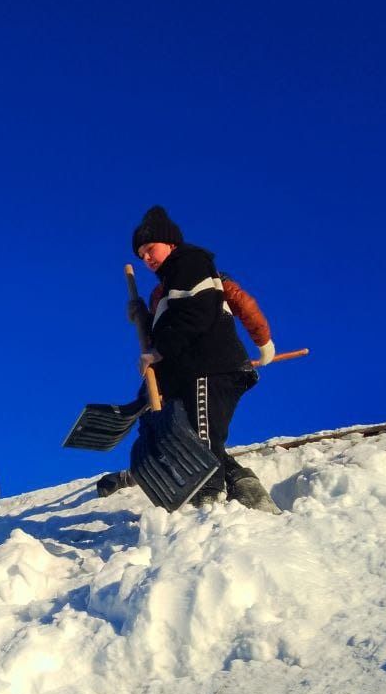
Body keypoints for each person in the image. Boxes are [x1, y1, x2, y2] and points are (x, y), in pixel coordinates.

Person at [98, 205, 266, 510]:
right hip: (195, 367)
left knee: (201, 437)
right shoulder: (168, 286)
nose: (146, 258)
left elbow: (196, 316)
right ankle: (243, 485)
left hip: (212, 366)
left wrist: (158, 351)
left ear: (171, 243)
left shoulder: (190, 262)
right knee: (191, 436)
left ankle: (209, 497)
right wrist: (144, 319)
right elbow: (173, 328)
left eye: (150, 249)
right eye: (141, 254)